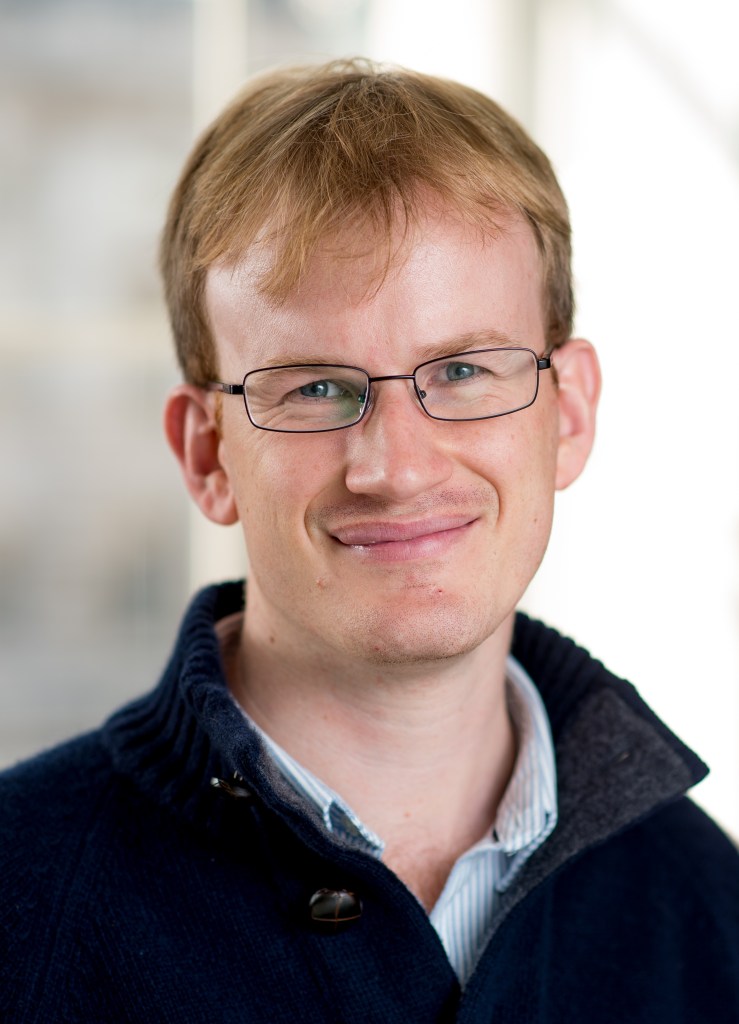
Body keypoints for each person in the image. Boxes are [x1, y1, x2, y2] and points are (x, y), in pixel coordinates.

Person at [1, 59, 737, 1024]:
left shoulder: (708, 910)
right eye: (314, 388)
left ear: (569, 415)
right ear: (206, 452)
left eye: (466, 369)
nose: (394, 466)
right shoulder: (20, 901)